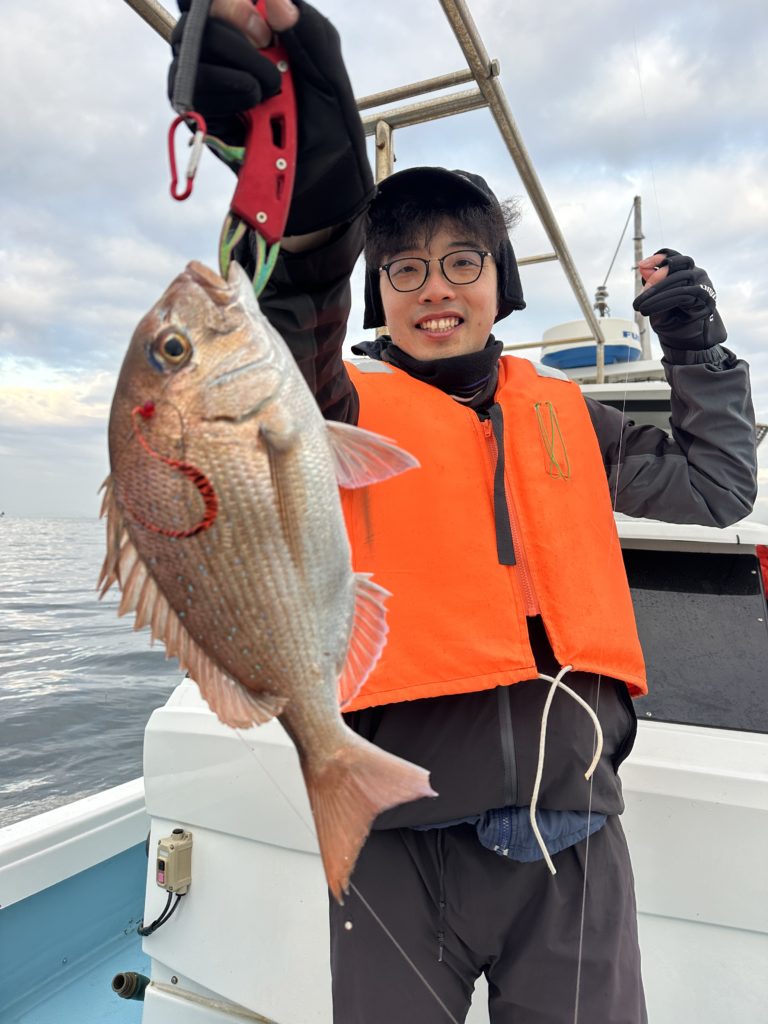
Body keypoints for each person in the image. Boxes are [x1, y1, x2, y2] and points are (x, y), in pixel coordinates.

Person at [169, 2, 758, 1021]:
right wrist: (306, 177)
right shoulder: (335, 406)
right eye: (404, 269)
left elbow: (720, 487)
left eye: (461, 262)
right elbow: (296, 304)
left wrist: (697, 344)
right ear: (379, 293)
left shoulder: (570, 416)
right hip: (397, 838)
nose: (433, 289)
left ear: (498, 281)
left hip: (573, 840)